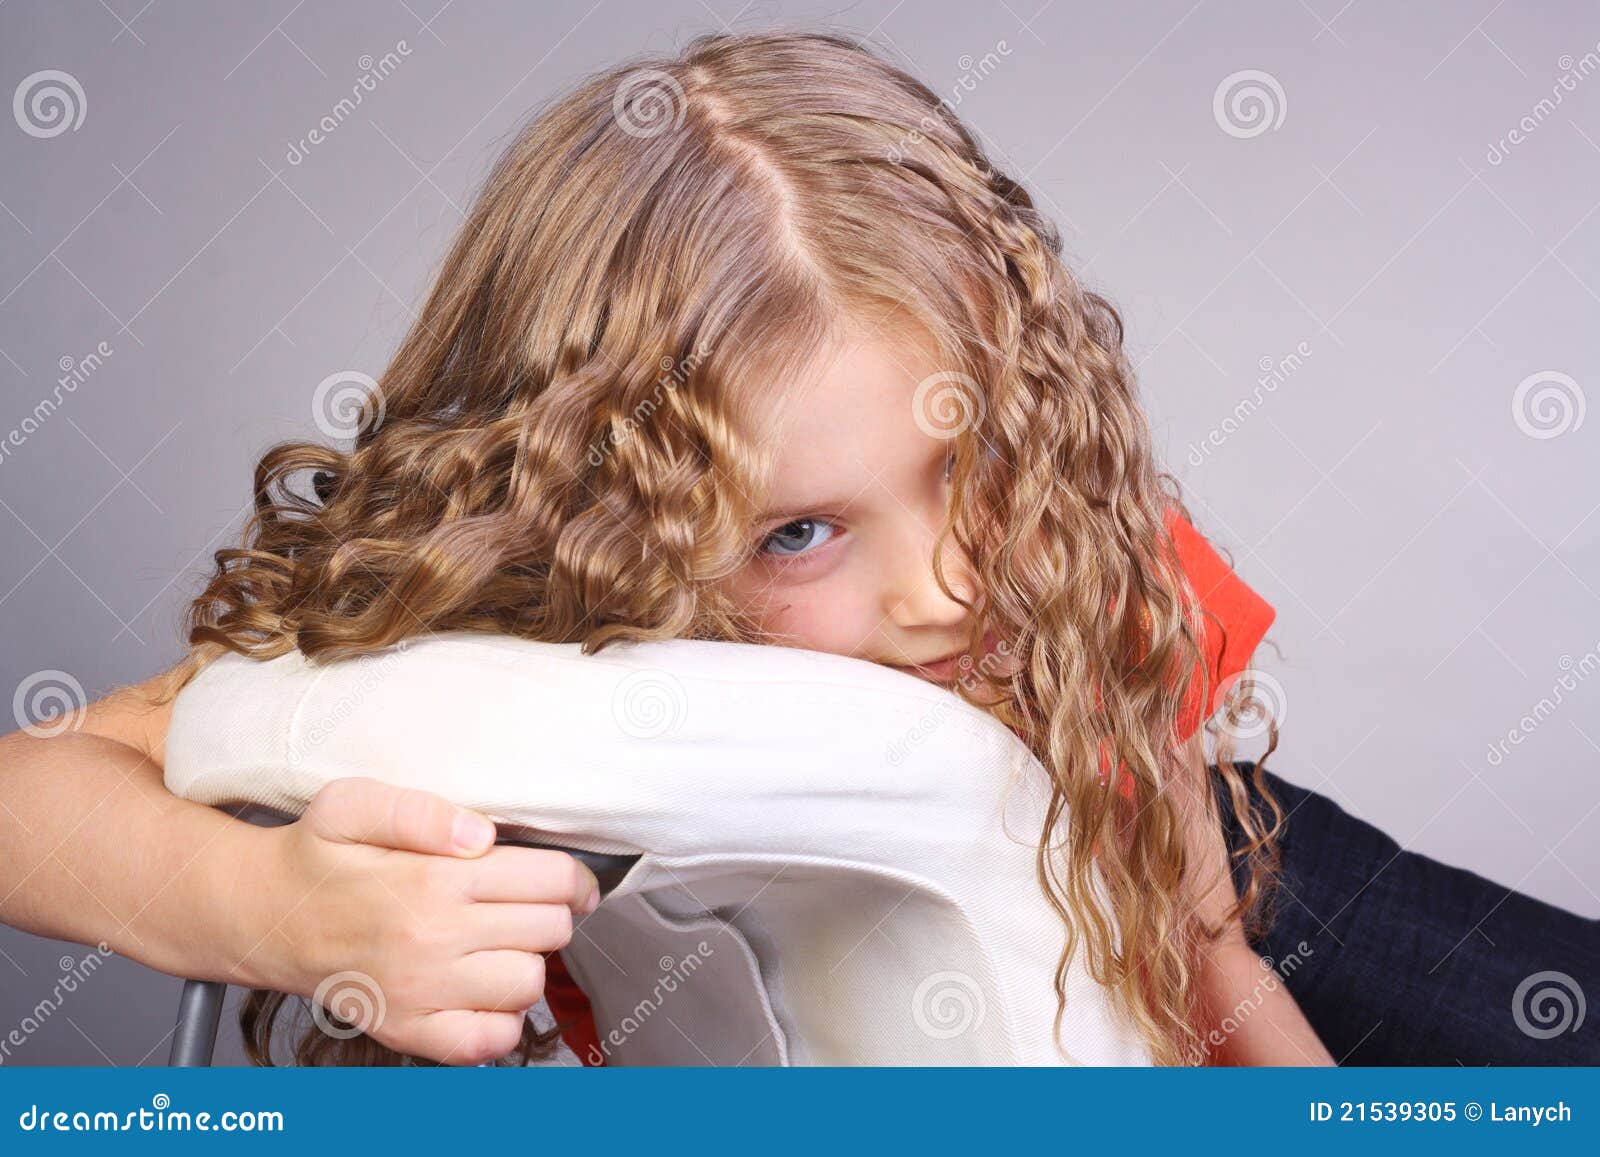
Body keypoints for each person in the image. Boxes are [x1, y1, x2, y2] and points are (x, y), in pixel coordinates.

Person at [0, 30, 1590, 1067]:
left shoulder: (1056, 573)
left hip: (1224, 871)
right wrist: (277, 907)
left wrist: (1202, 934)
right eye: (799, 532)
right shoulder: (514, 636)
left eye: (974, 462)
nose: (949, 590)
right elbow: (33, 792)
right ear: (590, 515)